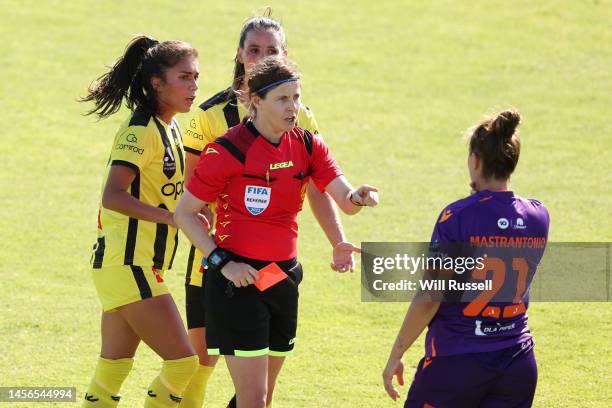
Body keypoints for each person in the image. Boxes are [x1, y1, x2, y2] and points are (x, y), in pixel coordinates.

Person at [174, 56, 378, 408]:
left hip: (282, 278)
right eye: (283, 99)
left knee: (261, 399)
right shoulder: (228, 150)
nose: (293, 107)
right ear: (256, 101)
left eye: (296, 97)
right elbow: (185, 214)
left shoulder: (307, 144)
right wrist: (223, 263)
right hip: (237, 283)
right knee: (254, 399)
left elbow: (344, 198)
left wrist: (358, 197)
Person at [383, 109, 550, 407]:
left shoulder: (456, 217)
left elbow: (430, 298)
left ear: (475, 160)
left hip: (456, 363)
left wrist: (397, 352)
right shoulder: (539, 215)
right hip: (518, 362)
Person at [80, 35, 201, 407]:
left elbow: (165, 190)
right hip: (130, 264)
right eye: (184, 77)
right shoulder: (140, 131)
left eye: (196, 77)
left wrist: (196, 209)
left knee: (112, 369)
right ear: (156, 83)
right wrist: (172, 218)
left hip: (128, 265)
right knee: (183, 364)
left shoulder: (172, 128)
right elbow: (112, 196)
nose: (194, 87)